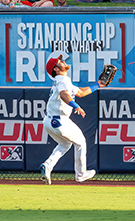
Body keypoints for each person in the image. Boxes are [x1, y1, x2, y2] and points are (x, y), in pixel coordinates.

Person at [40, 55, 105, 185]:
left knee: (65, 144)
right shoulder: (63, 80)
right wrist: (76, 106)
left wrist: (98, 85)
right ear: (56, 69)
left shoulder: (62, 81)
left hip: (49, 121)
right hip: (60, 121)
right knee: (80, 142)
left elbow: (80, 92)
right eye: (60, 62)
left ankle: (47, 166)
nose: (63, 62)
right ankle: (81, 174)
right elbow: (64, 94)